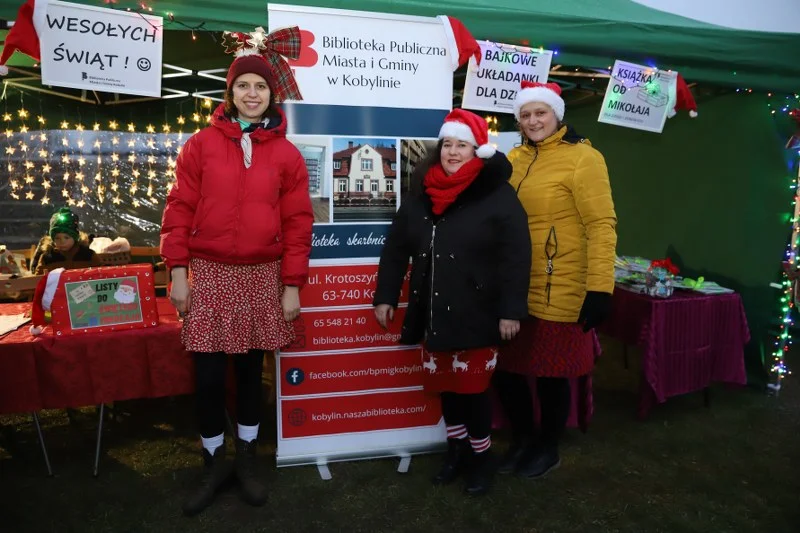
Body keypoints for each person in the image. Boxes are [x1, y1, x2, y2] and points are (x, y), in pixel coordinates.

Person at [160, 26, 312, 517]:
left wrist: (292, 286)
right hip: (208, 273)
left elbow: (297, 222)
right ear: (230, 91)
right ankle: (212, 463)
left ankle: (245, 459)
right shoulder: (200, 145)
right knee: (207, 378)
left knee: (250, 375)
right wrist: (178, 271)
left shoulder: (288, 155)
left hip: (262, 275)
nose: (252, 94)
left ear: (272, 95)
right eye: (244, 86)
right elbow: (179, 208)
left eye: (261, 87)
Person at [374, 109, 531, 496]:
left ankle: (481, 459)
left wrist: (512, 310)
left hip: (478, 313)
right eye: (448, 144)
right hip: (434, 312)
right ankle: (456, 452)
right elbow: (395, 249)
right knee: (446, 388)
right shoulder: (421, 194)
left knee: (473, 391)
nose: (453, 152)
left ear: (477, 151)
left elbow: (516, 254)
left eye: (462, 145)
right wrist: (385, 296)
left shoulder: (495, 193)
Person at [493, 81, 617, 479]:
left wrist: (600, 286)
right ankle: (523, 439)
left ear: (557, 114)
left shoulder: (584, 158)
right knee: (509, 370)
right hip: (514, 284)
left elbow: (601, 224)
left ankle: (548, 447)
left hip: (560, 282)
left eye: (540, 113)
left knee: (551, 374)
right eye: (526, 115)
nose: (533, 121)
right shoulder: (512, 158)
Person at [33, 207, 98, 275]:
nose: (62, 241)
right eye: (57, 238)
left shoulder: (88, 255)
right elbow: (37, 279)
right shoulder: (47, 258)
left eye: (66, 237)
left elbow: (101, 273)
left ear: (75, 238)